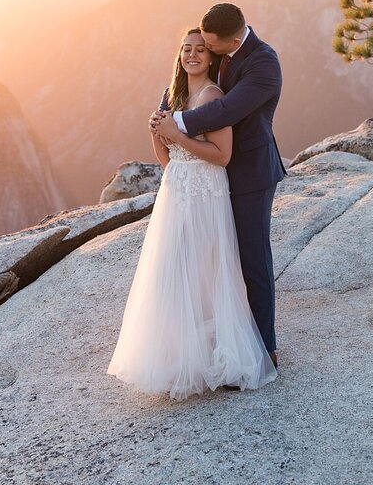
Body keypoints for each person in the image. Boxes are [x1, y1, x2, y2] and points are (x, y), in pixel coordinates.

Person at [107, 27, 277, 399]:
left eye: (200, 49)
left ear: (212, 56)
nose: (192, 55)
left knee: (207, 267)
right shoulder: (172, 93)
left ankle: (225, 351)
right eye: (186, 49)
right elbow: (165, 151)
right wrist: (162, 142)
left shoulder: (213, 95)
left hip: (206, 191)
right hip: (178, 189)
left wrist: (178, 137)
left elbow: (222, 156)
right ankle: (181, 353)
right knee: (174, 267)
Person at [152, 3, 285, 369]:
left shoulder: (263, 63)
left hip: (249, 174)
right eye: (197, 45)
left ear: (233, 38)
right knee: (212, 261)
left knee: (251, 261)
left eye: (211, 47)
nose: (204, 52)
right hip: (205, 179)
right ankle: (213, 340)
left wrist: (174, 124)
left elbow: (226, 112)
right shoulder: (212, 55)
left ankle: (263, 349)